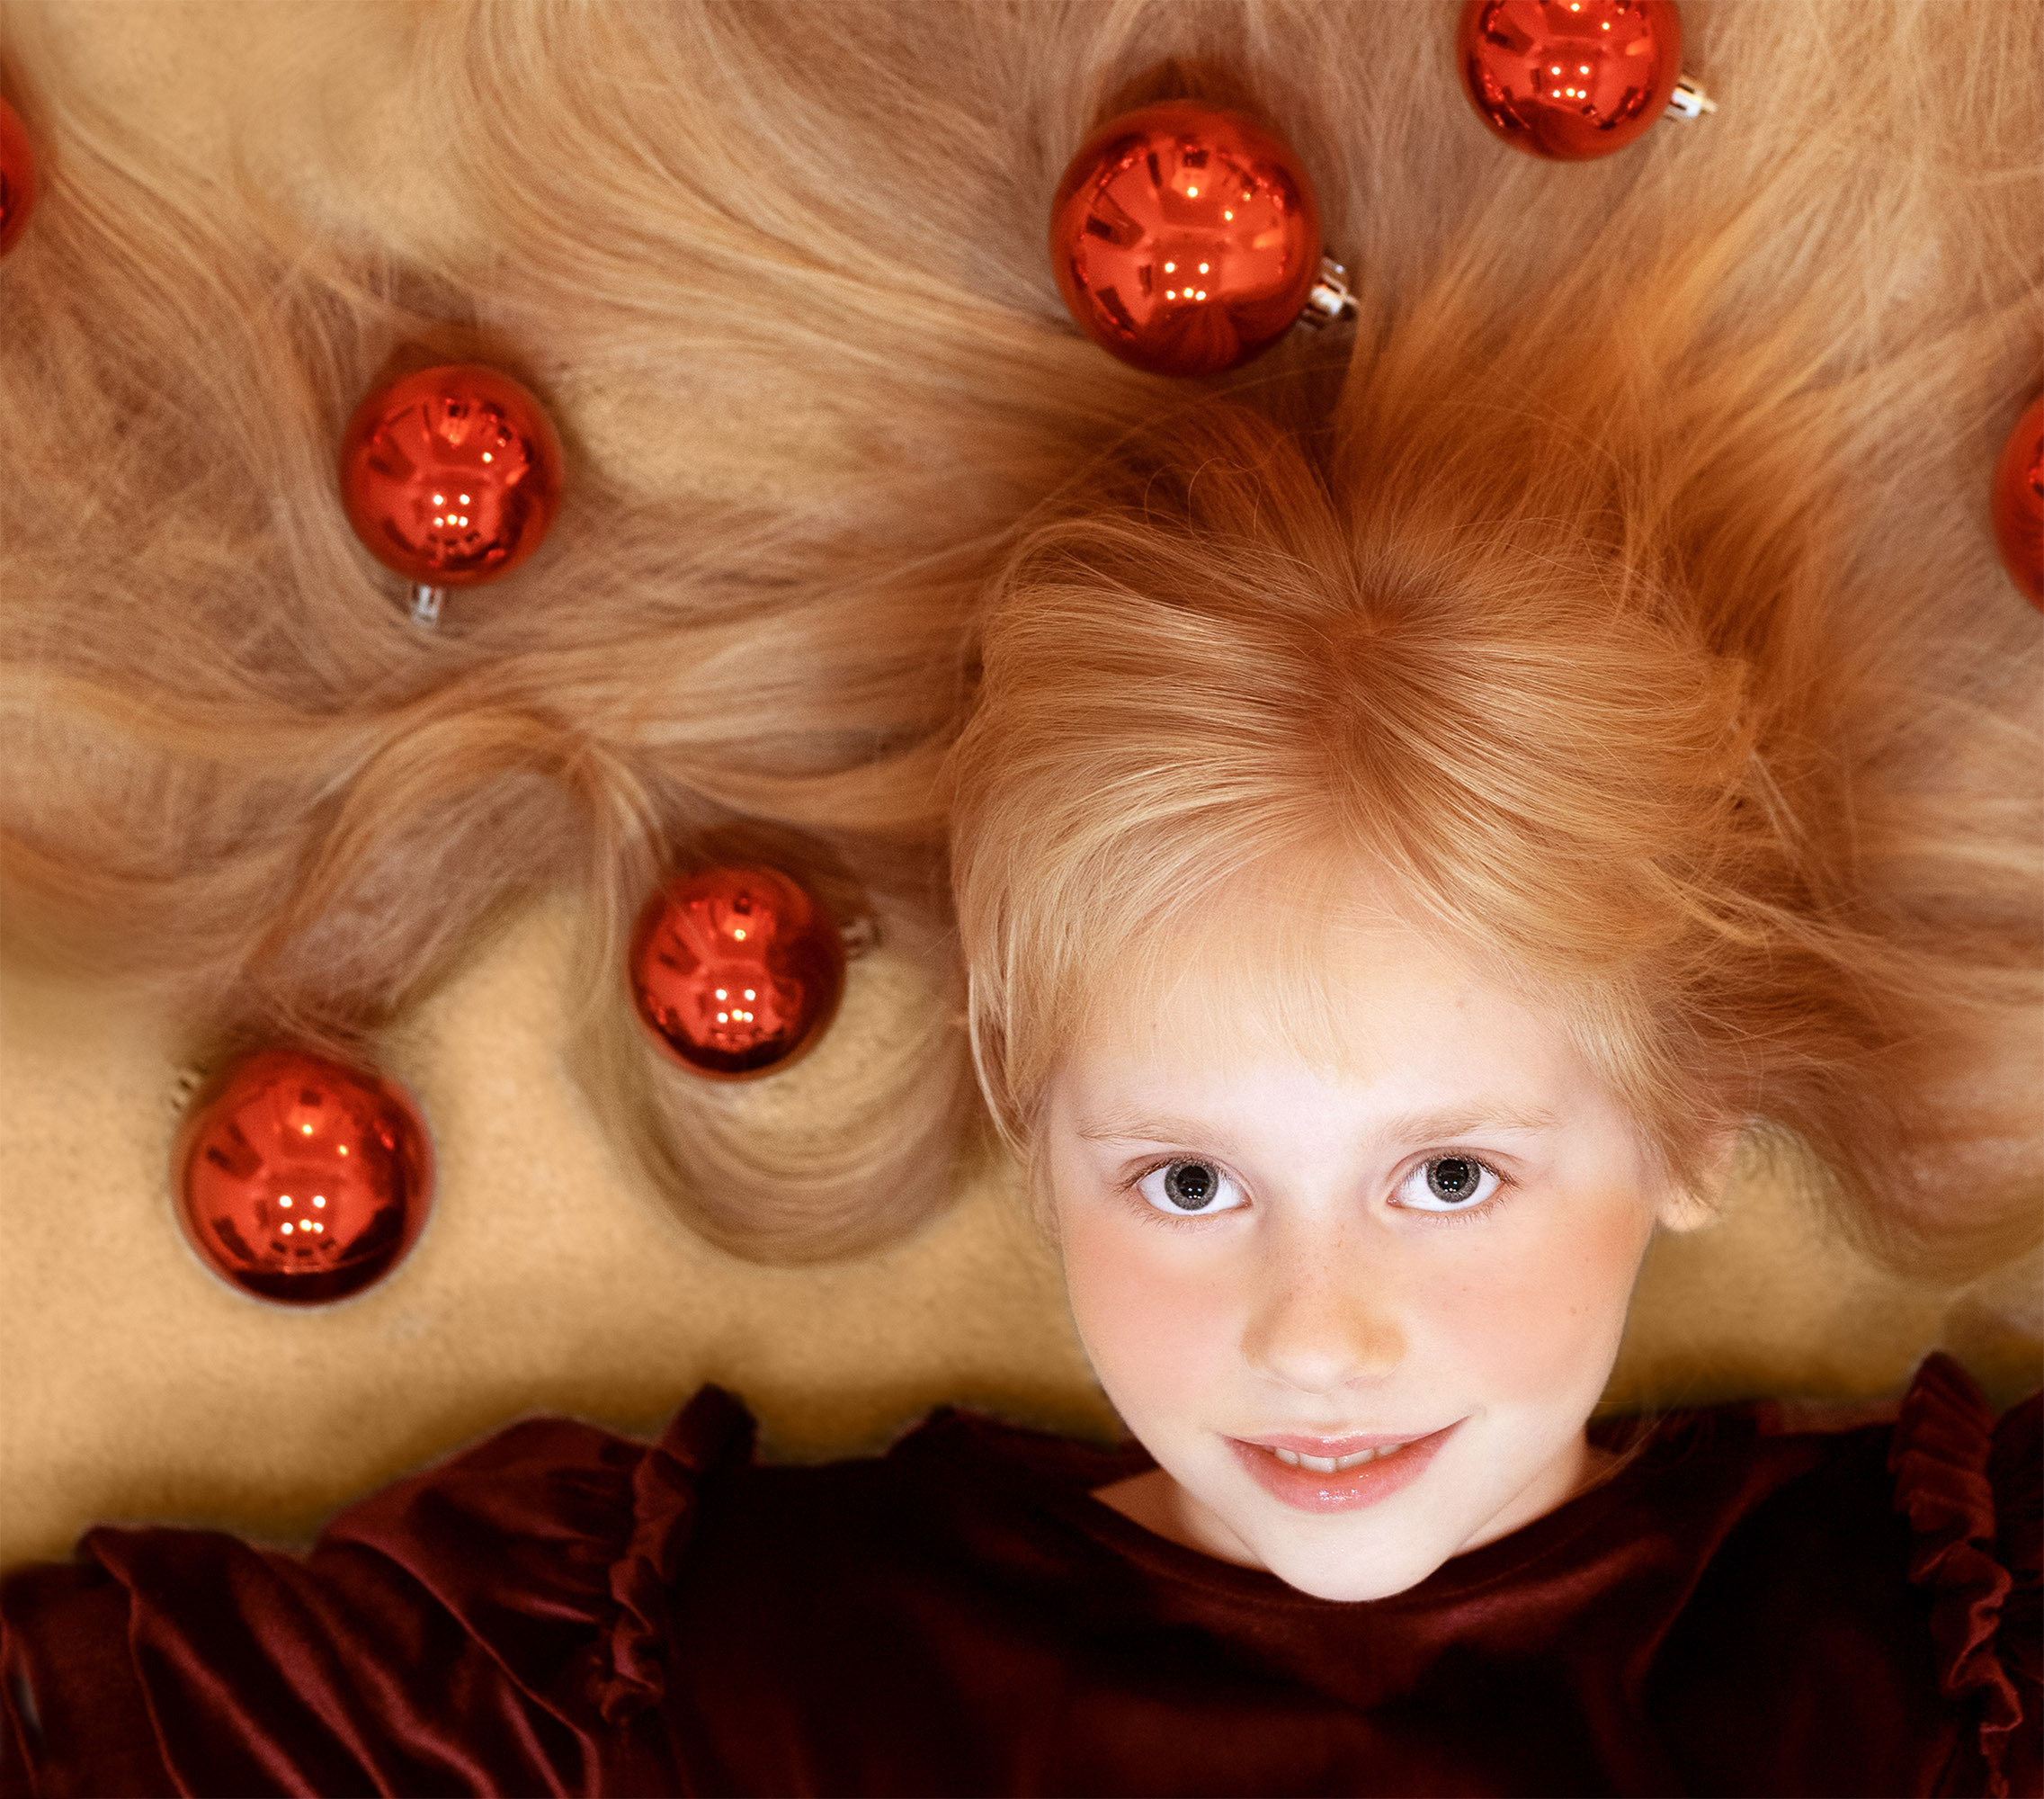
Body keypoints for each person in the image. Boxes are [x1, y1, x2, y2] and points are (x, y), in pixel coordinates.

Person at [1, 2, 2038, 1795]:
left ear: (1688, 1118)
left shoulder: (1931, 1662)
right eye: (1184, 1182)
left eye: (1449, 1178)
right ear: (1025, 1101)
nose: (1314, 1338)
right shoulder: (731, 1670)